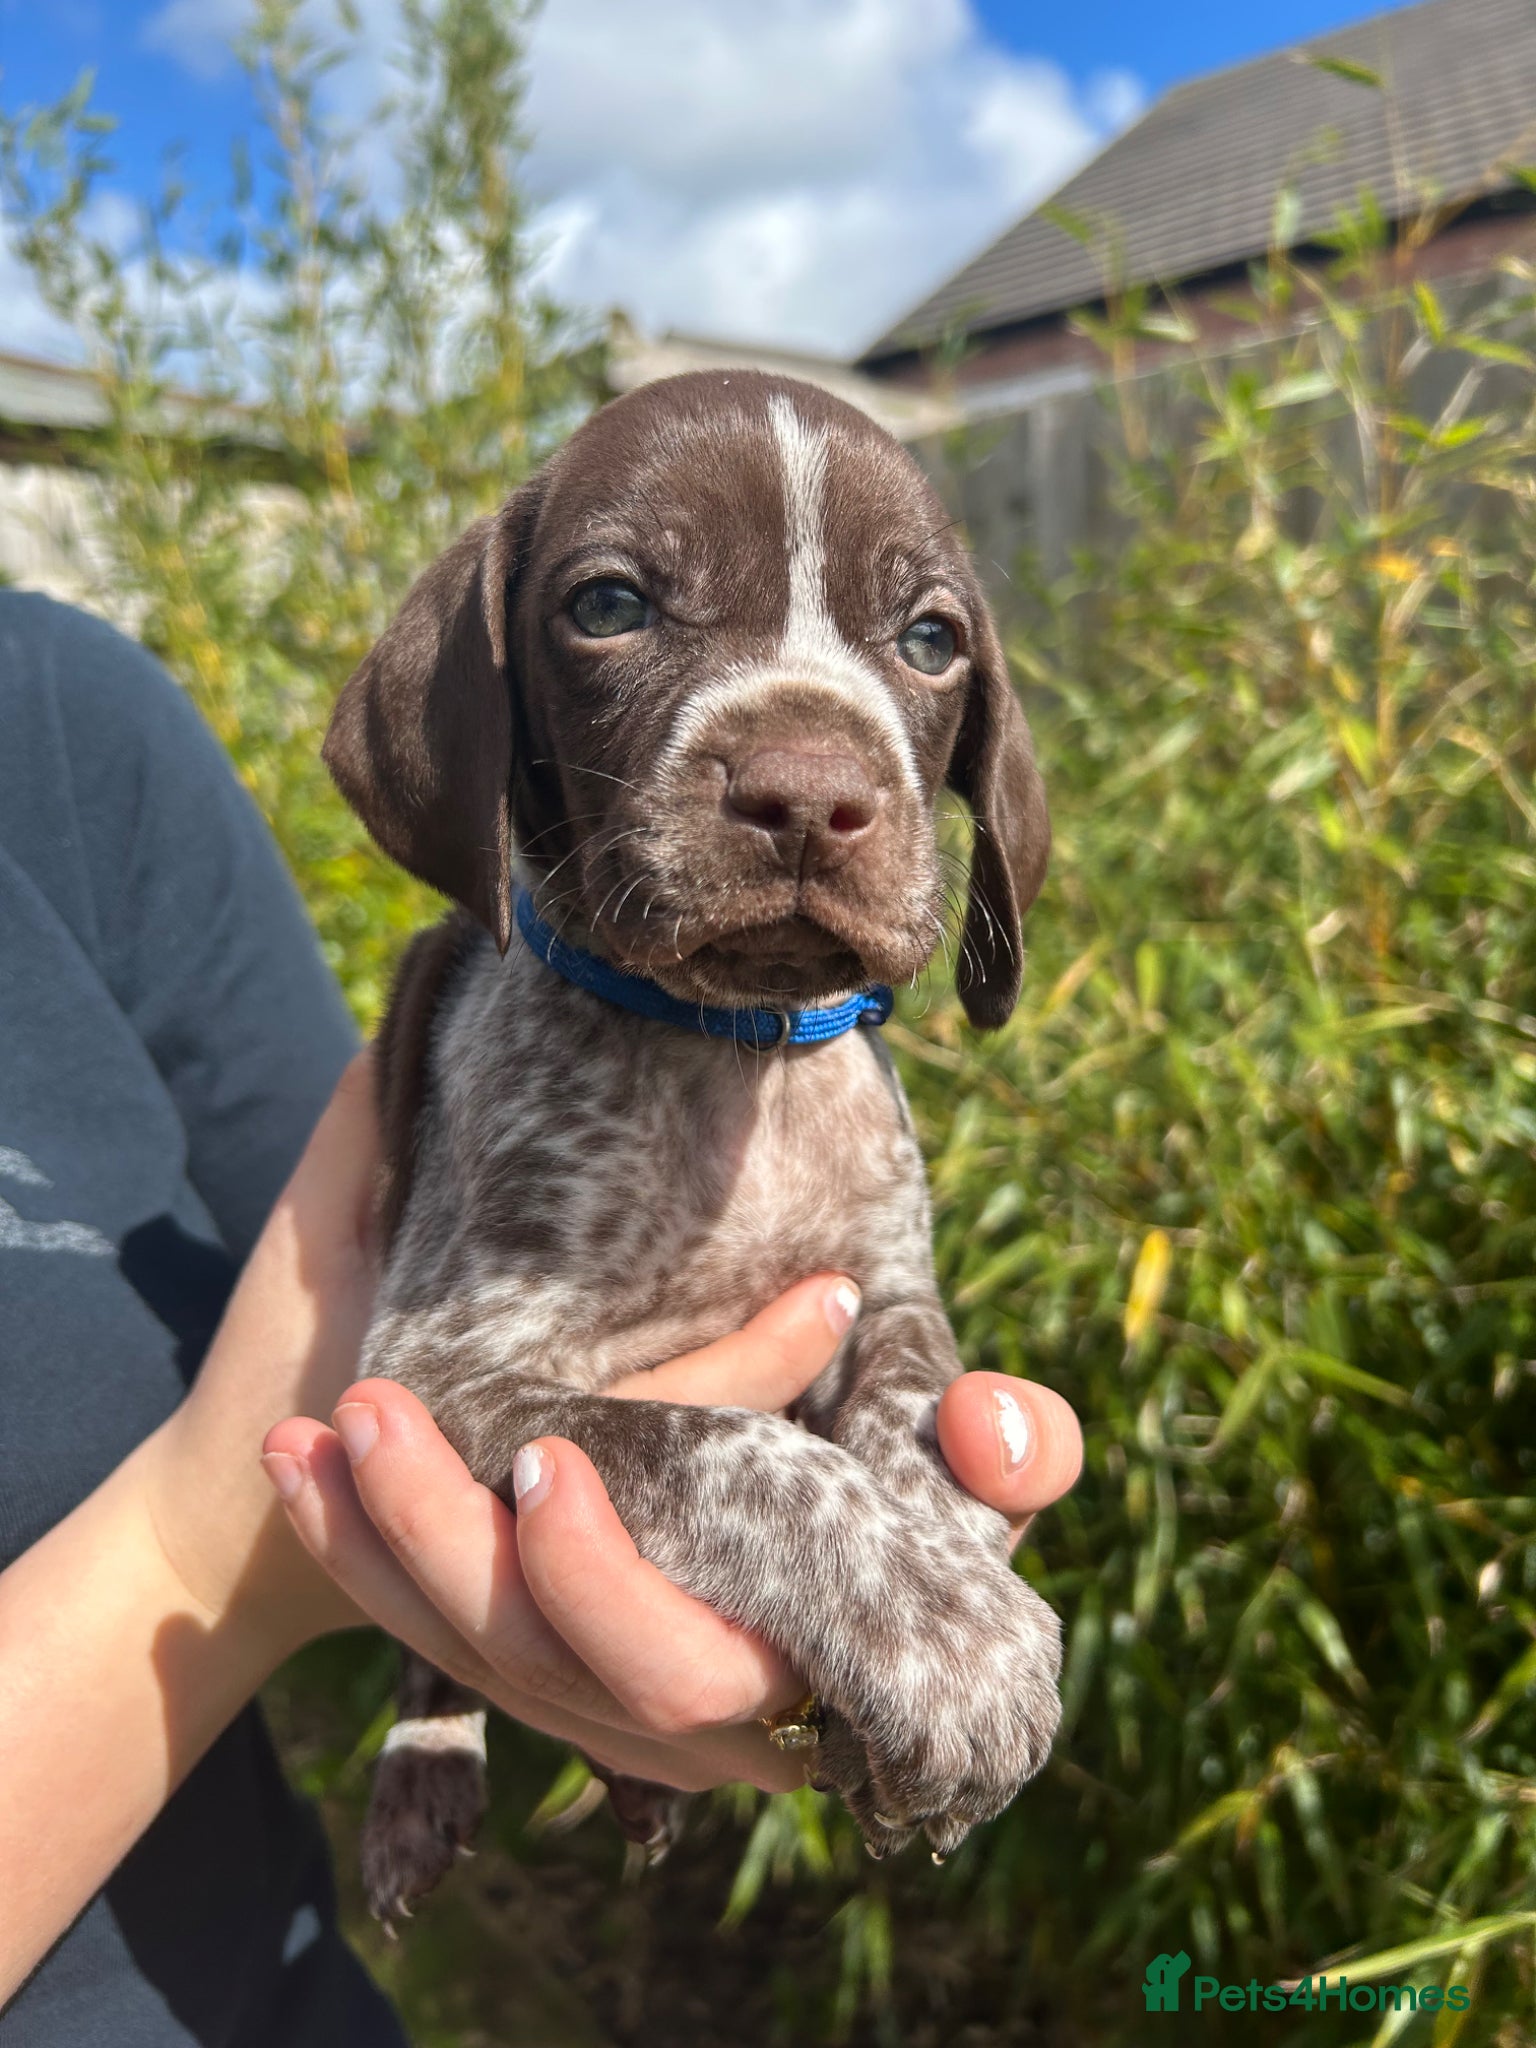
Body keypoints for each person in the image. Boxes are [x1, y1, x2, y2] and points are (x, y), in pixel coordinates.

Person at [0, 591, 1083, 2040]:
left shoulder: (60, 720)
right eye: (620, 606)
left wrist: (892, 1537)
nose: (808, 776)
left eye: (925, 636)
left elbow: (357, 1257)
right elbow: (412, 1386)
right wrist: (208, 1548)